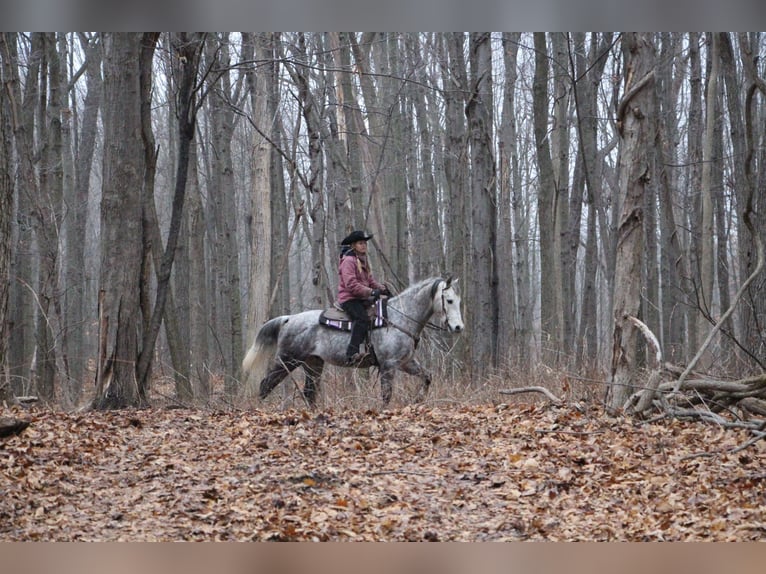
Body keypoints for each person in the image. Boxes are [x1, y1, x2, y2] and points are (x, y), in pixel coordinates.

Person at [337, 230, 390, 363]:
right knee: (362, 319)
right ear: (353, 245)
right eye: (361, 243)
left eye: (365, 243)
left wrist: (382, 289)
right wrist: (371, 292)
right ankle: (352, 353)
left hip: (361, 297)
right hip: (349, 298)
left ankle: (372, 349)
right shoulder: (349, 261)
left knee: (378, 314)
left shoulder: (362, 260)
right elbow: (351, 285)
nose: (364, 245)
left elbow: (370, 281)